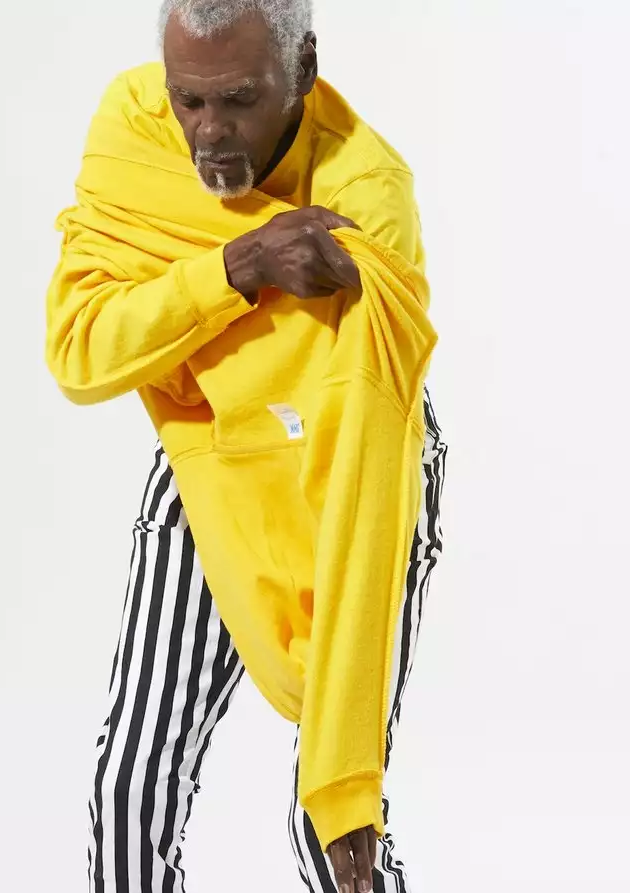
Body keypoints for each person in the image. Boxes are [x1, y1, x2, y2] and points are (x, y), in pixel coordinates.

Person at [44, 2, 445, 891]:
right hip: (206, 458)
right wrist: (241, 264)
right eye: (189, 99)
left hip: (354, 472)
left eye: (238, 100)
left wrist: (346, 774)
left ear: (302, 69)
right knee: (128, 790)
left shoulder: (366, 192)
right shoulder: (133, 125)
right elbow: (80, 350)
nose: (208, 132)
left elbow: (369, 435)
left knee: (330, 822)